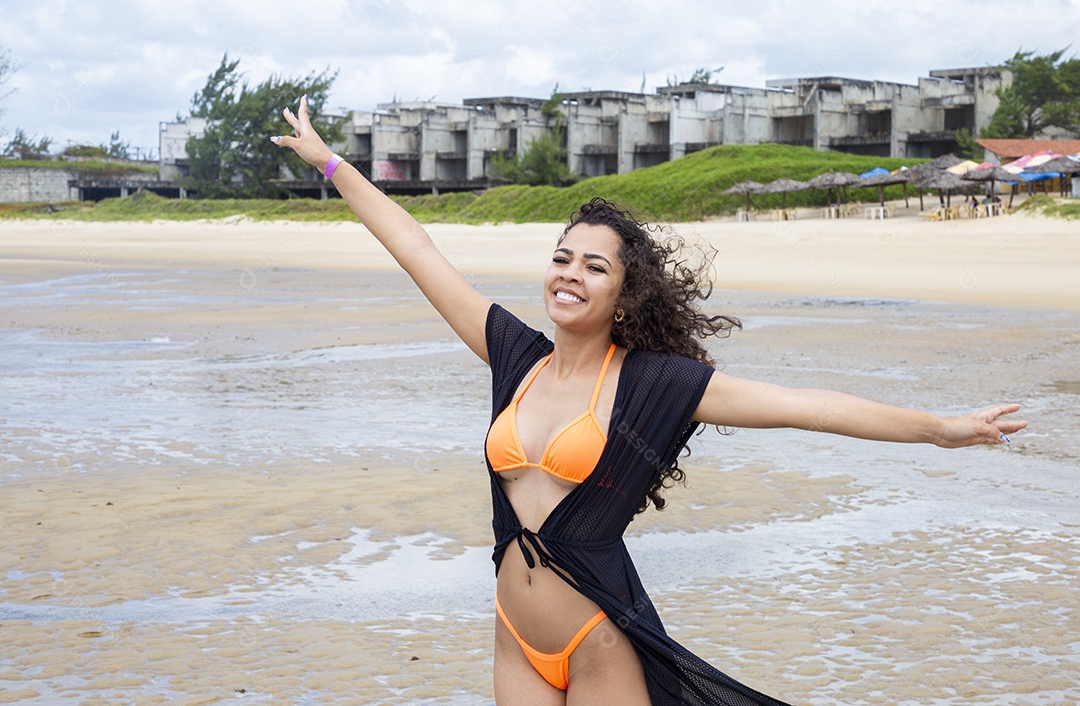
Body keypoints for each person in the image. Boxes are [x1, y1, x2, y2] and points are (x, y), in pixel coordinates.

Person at [272, 96, 1026, 706]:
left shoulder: (656, 385)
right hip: (515, 640)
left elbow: (807, 405)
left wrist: (940, 429)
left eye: (593, 267)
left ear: (624, 296)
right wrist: (331, 163)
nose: (568, 274)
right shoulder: (513, 356)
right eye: (561, 258)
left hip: (600, 641)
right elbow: (418, 250)